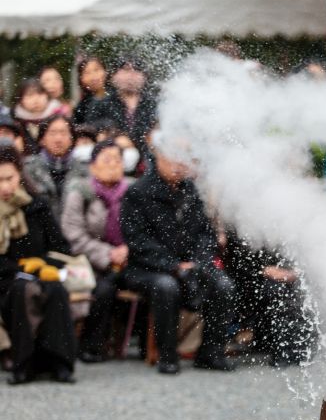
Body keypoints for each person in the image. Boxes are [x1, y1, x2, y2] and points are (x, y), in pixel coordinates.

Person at [120, 139, 236, 374]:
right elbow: (137, 241)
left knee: (223, 285)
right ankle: (167, 354)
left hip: (190, 263)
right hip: (147, 268)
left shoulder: (191, 191)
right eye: (171, 158)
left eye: (182, 159)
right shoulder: (138, 192)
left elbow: (206, 233)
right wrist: (172, 264)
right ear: (158, 159)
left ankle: (210, 352)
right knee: (166, 286)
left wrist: (199, 260)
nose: (178, 165)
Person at [0, 144, 76, 384]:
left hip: (41, 272)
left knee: (54, 289)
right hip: (6, 279)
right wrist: (19, 269)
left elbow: (61, 247)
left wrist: (44, 265)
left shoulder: (37, 205)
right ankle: (24, 364)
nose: (5, 186)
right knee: (23, 289)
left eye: (10, 178)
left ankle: (60, 362)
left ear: (20, 175)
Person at [61, 141, 131, 362]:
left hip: (129, 259)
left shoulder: (132, 191)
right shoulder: (80, 192)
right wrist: (108, 254)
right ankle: (91, 346)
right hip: (88, 262)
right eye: (106, 160)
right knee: (104, 288)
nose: (113, 165)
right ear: (92, 167)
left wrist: (128, 250)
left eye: (117, 160)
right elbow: (73, 235)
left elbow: (143, 228)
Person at [224, 230, 318, 367]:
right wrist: (263, 270)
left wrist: (294, 272)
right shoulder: (242, 226)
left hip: (289, 273)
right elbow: (238, 259)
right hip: (252, 277)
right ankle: (281, 349)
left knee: (300, 288)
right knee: (276, 290)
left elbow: (305, 253)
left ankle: (299, 347)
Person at [89, 56, 158, 152]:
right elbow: (89, 127)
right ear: (113, 75)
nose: (131, 75)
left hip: (149, 155)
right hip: (114, 155)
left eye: (137, 70)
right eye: (126, 70)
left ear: (145, 76)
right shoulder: (102, 103)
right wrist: (112, 135)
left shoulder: (154, 104)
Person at [22, 115, 76, 217]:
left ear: (72, 138)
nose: (58, 139)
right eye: (52, 133)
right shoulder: (28, 169)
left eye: (63, 133)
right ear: (42, 139)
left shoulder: (84, 169)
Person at [13, 78, 70, 150]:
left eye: (40, 93)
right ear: (21, 100)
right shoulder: (14, 122)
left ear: (47, 95)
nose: (36, 99)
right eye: (30, 95)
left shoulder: (59, 117)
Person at [73, 56, 111, 126]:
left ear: (105, 71)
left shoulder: (119, 97)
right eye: (87, 73)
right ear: (81, 79)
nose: (93, 77)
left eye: (96, 70)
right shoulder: (81, 107)